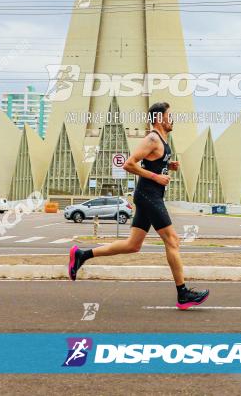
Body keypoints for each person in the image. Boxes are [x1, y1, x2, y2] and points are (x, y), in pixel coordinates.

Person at [68, 101, 209, 309]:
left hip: (148, 195)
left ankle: (82, 255)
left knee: (133, 245)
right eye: (169, 115)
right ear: (159, 118)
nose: (172, 119)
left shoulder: (161, 139)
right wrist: (156, 176)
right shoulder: (152, 138)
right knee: (173, 241)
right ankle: (183, 294)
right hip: (149, 195)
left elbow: (151, 160)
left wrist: (168, 165)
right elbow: (129, 164)